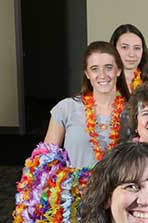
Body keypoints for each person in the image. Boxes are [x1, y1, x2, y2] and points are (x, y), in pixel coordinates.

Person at [44, 41, 130, 169]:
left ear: (118, 70)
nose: (102, 75)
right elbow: (46, 161)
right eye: (94, 69)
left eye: (108, 67)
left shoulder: (133, 111)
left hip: (117, 187)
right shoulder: (66, 108)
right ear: (87, 74)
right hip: (75, 188)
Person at [110, 24, 148, 92]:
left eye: (137, 48)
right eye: (124, 47)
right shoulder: (104, 82)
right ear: (114, 48)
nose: (131, 54)